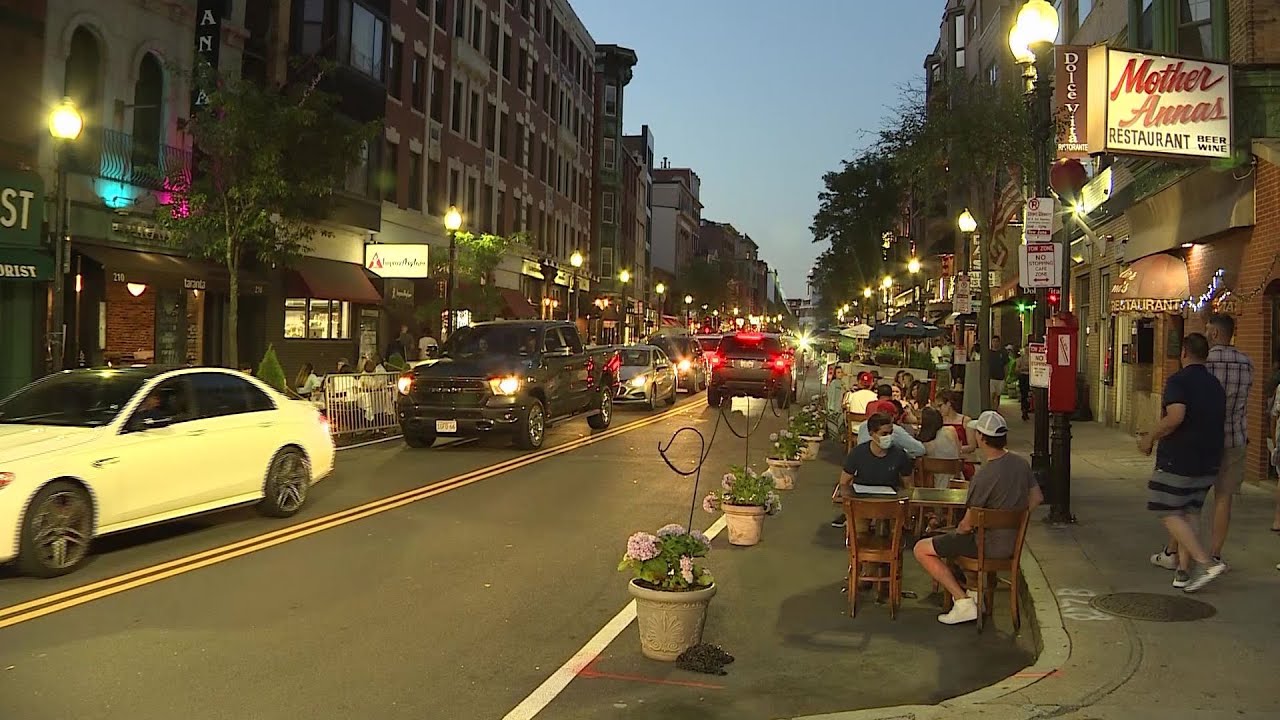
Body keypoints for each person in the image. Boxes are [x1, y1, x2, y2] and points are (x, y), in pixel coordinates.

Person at [913, 411, 1042, 624]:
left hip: (984, 544)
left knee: (922, 549)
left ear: (981, 438)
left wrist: (954, 533)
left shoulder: (983, 476)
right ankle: (974, 595)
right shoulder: (1021, 464)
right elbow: (1036, 497)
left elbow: (967, 524)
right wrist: (1016, 517)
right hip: (1011, 543)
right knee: (955, 542)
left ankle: (962, 600)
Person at [1141, 332, 1228, 592]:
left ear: (1184, 354)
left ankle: (1204, 562)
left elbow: (1176, 416)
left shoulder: (1178, 381)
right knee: (1190, 511)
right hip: (1210, 459)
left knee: (1164, 507)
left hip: (1180, 458)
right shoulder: (1215, 385)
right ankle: (1182, 571)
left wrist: (1150, 437)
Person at [1201, 314, 1252, 567]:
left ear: (1215, 334)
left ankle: (1179, 550)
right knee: (1224, 497)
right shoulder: (1246, 363)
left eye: (1208, 329)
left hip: (1205, 438)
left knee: (1193, 496)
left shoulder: (1205, 362)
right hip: (1235, 437)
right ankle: (1215, 554)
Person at [832, 413, 918, 530]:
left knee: (893, 534)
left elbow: (908, 485)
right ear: (872, 434)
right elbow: (844, 483)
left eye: (891, 433)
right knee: (858, 533)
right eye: (884, 434)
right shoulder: (857, 453)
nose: (889, 437)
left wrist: (908, 512)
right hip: (862, 502)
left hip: (890, 504)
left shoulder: (900, 455)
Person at [917, 406, 963, 488]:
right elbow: (959, 453)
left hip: (932, 486)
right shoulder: (951, 431)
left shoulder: (925, 445)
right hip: (956, 482)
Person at [988, 335, 1009, 409]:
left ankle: (996, 409)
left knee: (998, 395)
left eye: (997, 341)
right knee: (992, 394)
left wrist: (1006, 377)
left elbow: (1006, 366)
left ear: (999, 343)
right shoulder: (988, 353)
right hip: (991, 377)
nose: (995, 343)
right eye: (994, 341)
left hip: (1000, 377)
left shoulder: (1003, 353)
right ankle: (991, 408)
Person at [1015, 344, 1031, 421]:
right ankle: (1024, 410)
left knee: (1029, 394)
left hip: (1030, 378)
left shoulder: (1033, 358)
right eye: (1026, 349)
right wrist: (1026, 369)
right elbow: (1017, 369)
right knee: (1024, 394)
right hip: (1023, 378)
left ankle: (1027, 408)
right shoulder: (1020, 359)